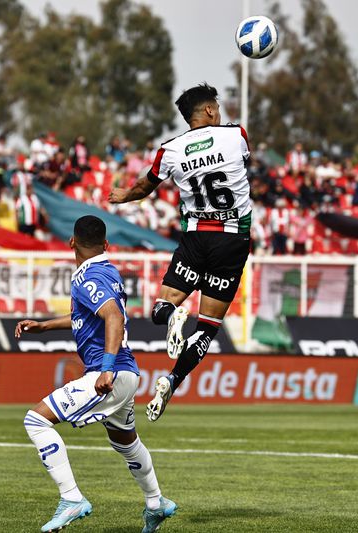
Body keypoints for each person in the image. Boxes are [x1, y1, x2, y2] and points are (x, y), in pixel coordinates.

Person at [14, 215, 176, 533]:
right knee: (125, 442)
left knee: (36, 421)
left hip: (110, 373)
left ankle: (71, 499)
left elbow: (113, 316)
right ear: (105, 245)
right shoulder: (106, 271)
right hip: (126, 372)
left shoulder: (89, 275)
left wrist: (104, 368)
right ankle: (156, 503)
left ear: (72, 242)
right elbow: (85, 315)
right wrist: (44, 325)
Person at [109, 83, 251, 421]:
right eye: (216, 107)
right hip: (232, 242)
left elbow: (146, 186)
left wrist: (123, 195)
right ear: (210, 112)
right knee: (208, 326)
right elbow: (245, 165)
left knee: (161, 309)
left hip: (195, 239)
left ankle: (173, 317)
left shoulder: (170, 150)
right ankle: (172, 379)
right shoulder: (236, 136)